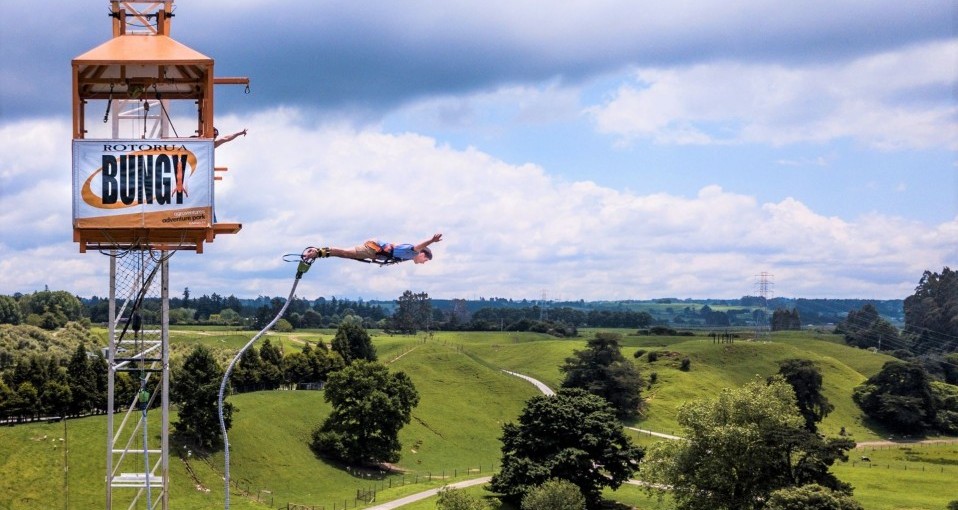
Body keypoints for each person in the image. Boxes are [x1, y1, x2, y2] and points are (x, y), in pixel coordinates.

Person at [305, 233, 443, 264]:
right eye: (425, 260)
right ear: (422, 254)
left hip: (374, 252)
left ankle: (319, 253)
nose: (424, 263)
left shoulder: (408, 257)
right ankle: (317, 252)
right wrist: (432, 240)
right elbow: (420, 245)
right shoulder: (413, 251)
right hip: (373, 248)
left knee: (344, 254)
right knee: (345, 253)